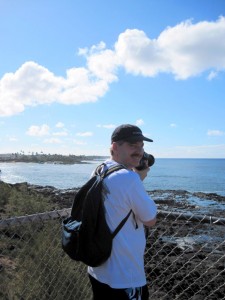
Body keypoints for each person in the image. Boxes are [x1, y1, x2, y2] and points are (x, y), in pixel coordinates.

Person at [88, 124, 157, 300]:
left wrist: (136, 177)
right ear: (114, 146)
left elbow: (118, 204)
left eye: (141, 146)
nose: (139, 151)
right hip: (126, 277)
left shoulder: (100, 169)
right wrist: (139, 178)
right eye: (132, 145)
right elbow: (150, 219)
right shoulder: (129, 178)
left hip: (99, 269)